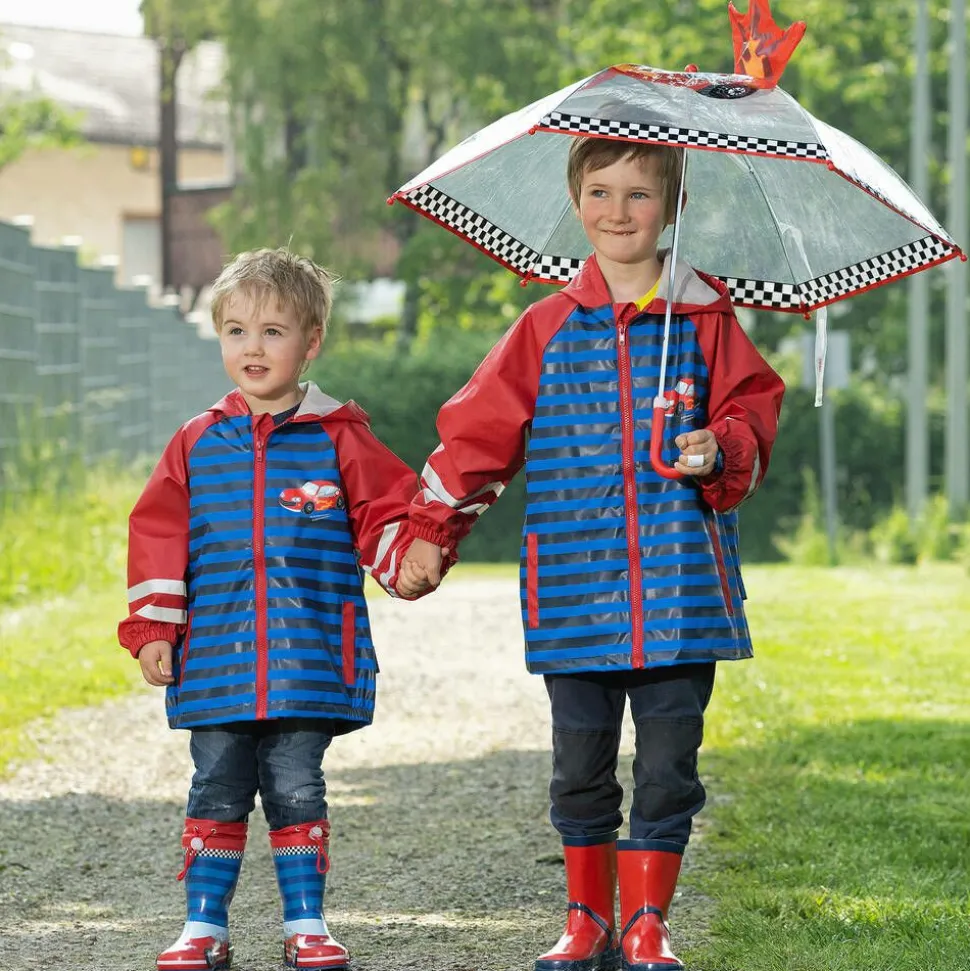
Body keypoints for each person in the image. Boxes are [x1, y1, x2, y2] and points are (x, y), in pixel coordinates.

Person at [398, 137, 785, 971]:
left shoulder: (707, 320)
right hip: (575, 587)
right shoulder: (544, 325)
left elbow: (753, 412)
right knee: (579, 764)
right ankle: (586, 921)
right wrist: (432, 531)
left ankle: (648, 925)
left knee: (670, 764)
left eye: (640, 195)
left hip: (681, 591)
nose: (618, 212)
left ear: (673, 207)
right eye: (601, 193)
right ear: (577, 203)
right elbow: (477, 437)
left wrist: (718, 446)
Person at [119, 248, 422, 971]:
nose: (252, 347)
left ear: (311, 340)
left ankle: (306, 921)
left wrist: (411, 554)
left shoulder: (339, 435)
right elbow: (157, 532)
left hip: (307, 654)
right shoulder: (196, 442)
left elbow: (389, 510)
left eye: (273, 331)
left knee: (295, 783)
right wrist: (156, 627)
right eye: (236, 331)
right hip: (218, 655)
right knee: (216, 780)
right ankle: (204, 925)